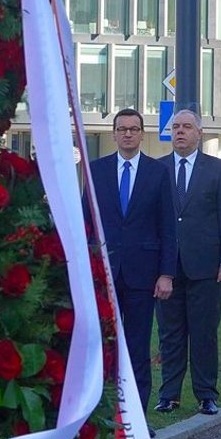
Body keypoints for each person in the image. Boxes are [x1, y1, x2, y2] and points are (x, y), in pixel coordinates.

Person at [86, 108, 176, 417]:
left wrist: (166, 273)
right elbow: (87, 222)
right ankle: (102, 414)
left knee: (138, 348)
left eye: (134, 129)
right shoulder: (95, 171)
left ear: (141, 133)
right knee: (103, 345)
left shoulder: (158, 173)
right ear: (113, 134)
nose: (127, 133)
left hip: (143, 276)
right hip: (105, 274)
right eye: (122, 128)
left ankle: (135, 417)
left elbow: (168, 227)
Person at [155, 108, 221, 416]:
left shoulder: (216, 169)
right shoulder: (158, 168)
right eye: (175, 126)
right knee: (170, 334)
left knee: (204, 333)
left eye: (187, 126)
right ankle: (169, 395)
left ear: (198, 133)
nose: (180, 131)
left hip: (206, 266)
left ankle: (206, 395)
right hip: (167, 269)